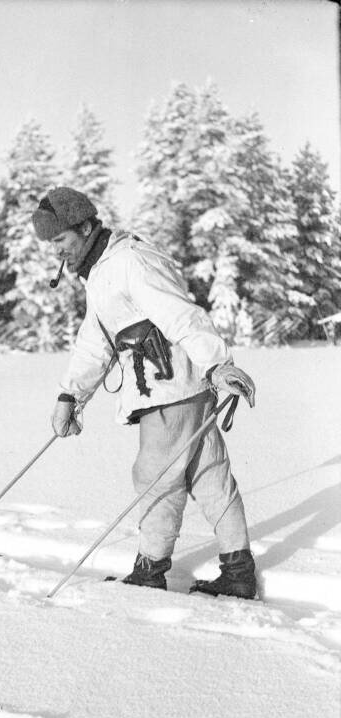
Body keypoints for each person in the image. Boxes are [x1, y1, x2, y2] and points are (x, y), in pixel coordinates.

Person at [31, 186, 257, 599]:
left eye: (60, 240)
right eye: (52, 244)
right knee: (208, 476)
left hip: (168, 388)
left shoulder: (130, 260)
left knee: (155, 478)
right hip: (182, 388)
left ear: (84, 227)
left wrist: (217, 362)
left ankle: (150, 571)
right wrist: (70, 396)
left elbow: (179, 313)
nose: (57, 252)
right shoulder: (102, 271)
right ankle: (238, 571)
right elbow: (94, 341)